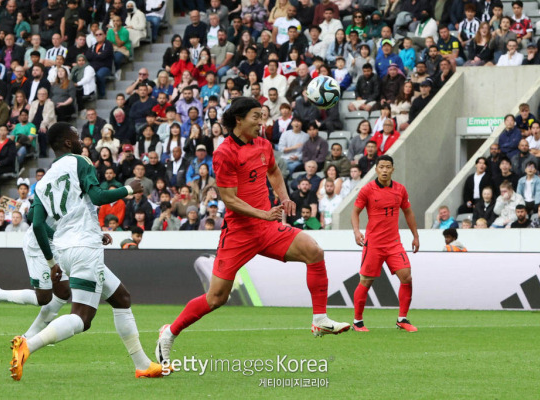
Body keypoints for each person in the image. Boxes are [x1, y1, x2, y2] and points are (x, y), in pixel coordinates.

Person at [155, 97, 351, 364]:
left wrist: (283, 197)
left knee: (314, 251)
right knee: (216, 298)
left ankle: (319, 319)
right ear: (239, 119)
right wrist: (264, 213)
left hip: (268, 228)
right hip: (239, 234)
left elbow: (274, 172)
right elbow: (229, 199)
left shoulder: (263, 144)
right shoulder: (224, 152)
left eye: (263, 116)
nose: (262, 122)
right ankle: (169, 332)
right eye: (256, 116)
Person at [7, 122, 163, 381]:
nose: (81, 141)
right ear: (68, 143)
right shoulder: (80, 162)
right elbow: (99, 196)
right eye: (77, 136)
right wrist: (128, 189)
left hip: (65, 248)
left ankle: (143, 364)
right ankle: (28, 344)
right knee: (82, 317)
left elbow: (36, 224)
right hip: (84, 249)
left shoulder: (44, 181)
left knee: (121, 298)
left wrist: (52, 263)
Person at [351, 155, 420, 332]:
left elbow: (408, 213)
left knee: (407, 277)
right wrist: (357, 231)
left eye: (387, 167)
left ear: (392, 169)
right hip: (373, 243)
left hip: (394, 243)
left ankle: (402, 319)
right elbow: (355, 212)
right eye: (381, 167)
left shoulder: (400, 190)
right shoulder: (367, 190)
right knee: (366, 282)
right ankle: (358, 321)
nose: (384, 170)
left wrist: (415, 235)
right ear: (376, 169)